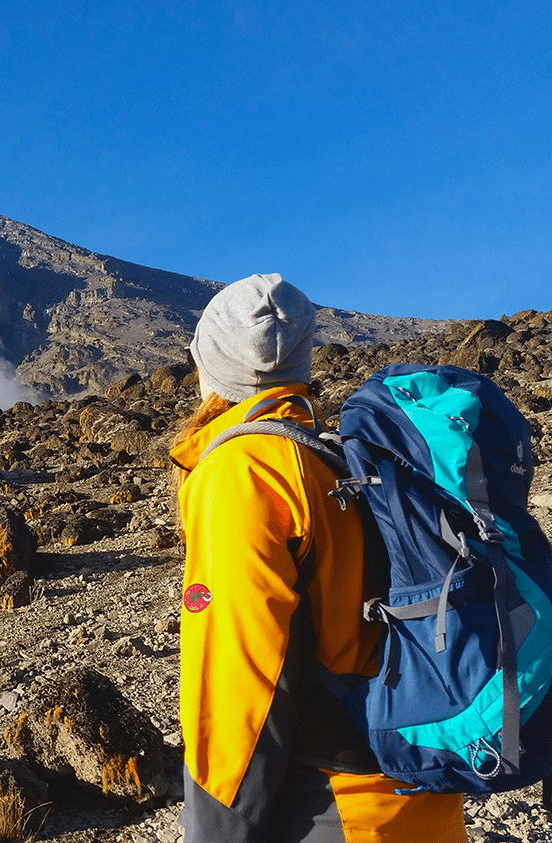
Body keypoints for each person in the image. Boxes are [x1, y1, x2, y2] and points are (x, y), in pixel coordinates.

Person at [169, 274, 466, 842]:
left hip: (336, 809)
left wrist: (216, 831)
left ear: (206, 365)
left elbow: (243, 672)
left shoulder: (246, 472)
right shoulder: (348, 460)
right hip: (421, 791)